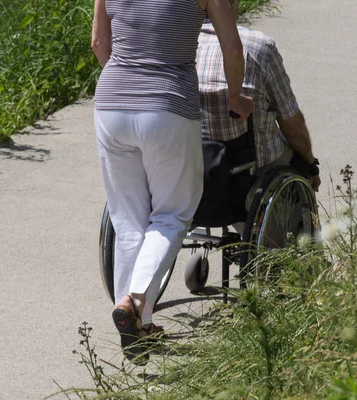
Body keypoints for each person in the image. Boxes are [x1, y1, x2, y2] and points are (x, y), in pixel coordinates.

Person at [91, 0, 254, 363]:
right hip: (167, 106)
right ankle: (133, 303)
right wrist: (234, 96)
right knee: (173, 214)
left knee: (128, 219)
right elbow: (232, 46)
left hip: (111, 103)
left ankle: (141, 325)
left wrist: (128, 89)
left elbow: (100, 44)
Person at [196, 1, 321, 192]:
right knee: (296, 156)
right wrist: (310, 162)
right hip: (250, 170)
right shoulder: (258, 46)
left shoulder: (178, 46)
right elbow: (292, 125)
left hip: (193, 163)